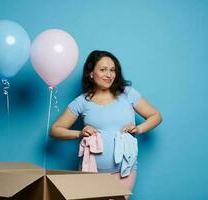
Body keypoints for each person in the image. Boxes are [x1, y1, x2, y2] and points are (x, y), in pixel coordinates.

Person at [50, 50, 162, 199]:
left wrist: (139, 129)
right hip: (90, 171)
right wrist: (79, 133)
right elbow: (55, 130)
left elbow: (156, 116)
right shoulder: (82, 102)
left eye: (112, 70)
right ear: (91, 73)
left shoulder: (127, 93)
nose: (109, 75)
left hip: (124, 170)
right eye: (103, 70)